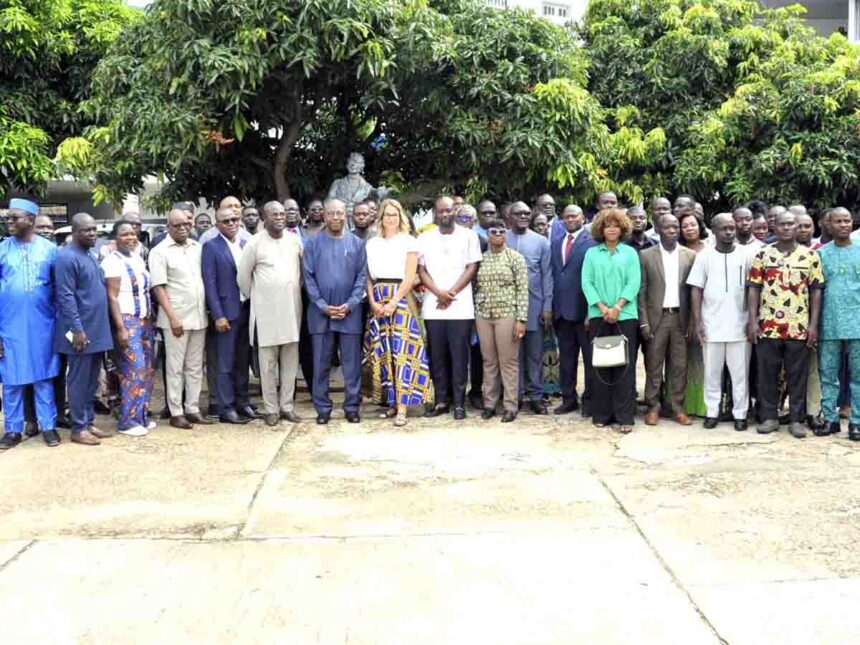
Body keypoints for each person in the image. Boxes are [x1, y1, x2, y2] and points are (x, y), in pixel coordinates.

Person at [747, 210, 822, 438]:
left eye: (792, 224)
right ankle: (769, 417)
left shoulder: (810, 256)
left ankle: (797, 419)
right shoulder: (762, 255)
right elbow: (753, 288)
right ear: (775, 227)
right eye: (783, 224)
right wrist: (752, 321)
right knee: (767, 373)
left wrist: (813, 325)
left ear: (798, 227)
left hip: (798, 326)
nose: (787, 228)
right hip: (768, 325)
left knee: (797, 375)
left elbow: (816, 291)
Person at [364, 199, 432, 427]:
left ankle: (403, 407)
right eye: (387, 214)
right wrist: (373, 301)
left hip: (401, 299)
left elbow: (410, 276)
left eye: (395, 214)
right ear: (381, 218)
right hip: (378, 299)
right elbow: (369, 277)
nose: (391, 218)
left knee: (403, 352)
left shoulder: (409, 241)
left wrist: (393, 301)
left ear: (400, 217)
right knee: (385, 353)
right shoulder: (372, 243)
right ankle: (392, 403)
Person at [0, 198, 61, 450]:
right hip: (8, 326)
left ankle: (48, 426)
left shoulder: (49, 250)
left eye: (15, 217)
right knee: (11, 379)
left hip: (42, 325)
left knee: (43, 376)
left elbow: (59, 290)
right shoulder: (2, 248)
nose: (9, 221)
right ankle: (13, 430)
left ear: (32, 221)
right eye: (8, 217)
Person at [238, 201, 304, 426]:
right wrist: (261, 295)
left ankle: (287, 407)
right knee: (267, 365)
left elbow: (301, 275)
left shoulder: (294, 241)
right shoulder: (254, 243)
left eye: (282, 213)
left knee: (290, 363)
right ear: (264, 218)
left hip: (292, 312)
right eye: (274, 214)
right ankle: (271, 409)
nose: (279, 217)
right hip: (265, 315)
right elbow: (243, 279)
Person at [303, 199, 368, 424]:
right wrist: (322, 305)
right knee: (320, 364)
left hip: (350, 313)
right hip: (320, 314)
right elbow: (308, 277)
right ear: (325, 216)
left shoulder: (357, 244)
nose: (336, 217)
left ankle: (351, 406)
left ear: (346, 215)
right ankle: (322, 408)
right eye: (331, 213)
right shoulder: (312, 244)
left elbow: (362, 277)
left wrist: (350, 304)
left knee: (351, 365)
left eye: (340, 213)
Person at [418, 196, 482, 420]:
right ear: (435, 214)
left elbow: (472, 266)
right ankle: (441, 400)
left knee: (459, 355)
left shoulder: (469, 236)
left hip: (460, 306)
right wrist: (438, 292)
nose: (445, 214)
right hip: (433, 306)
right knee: (437, 354)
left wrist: (451, 292)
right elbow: (421, 269)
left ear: (455, 211)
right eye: (440, 211)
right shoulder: (424, 237)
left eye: (449, 210)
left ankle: (459, 402)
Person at [54, 213, 114, 445]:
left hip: (97, 329)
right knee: (79, 380)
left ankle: (88, 422)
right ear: (75, 232)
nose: (92, 233)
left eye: (94, 229)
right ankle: (78, 428)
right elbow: (66, 296)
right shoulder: (67, 257)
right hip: (80, 331)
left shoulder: (89, 254)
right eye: (86, 230)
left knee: (91, 381)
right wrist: (77, 330)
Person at [687, 213, 751, 431]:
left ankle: (740, 414)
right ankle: (712, 412)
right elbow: (696, 289)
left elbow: (754, 289)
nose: (729, 232)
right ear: (713, 230)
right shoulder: (704, 256)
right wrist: (697, 322)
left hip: (740, 325)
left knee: (740, 374)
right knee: (712, 373)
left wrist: (752, 319)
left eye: (732, 227)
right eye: (724, 228)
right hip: (711, 324)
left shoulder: (746, 255)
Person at [150, 209, 213, 429]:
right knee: (175, 368)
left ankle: (192, 408)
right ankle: (176, 412)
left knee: (195, 366)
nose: (183, 228)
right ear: (168, 226)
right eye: (177, 225)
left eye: (187, 224)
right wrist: (173, 318)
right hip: (176, 319)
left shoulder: (197, 248)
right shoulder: (159, 251)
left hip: (198, 317)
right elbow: (159, 287)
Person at [581, 208, 640, 433]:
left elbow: (634, 283)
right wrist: (603, 307)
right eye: (607, 225)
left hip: (625, 315)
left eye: (616, 225)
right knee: (601, 366)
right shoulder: (592, 254)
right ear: (601, 229)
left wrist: (617, 306)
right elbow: (587, 283)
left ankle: (625, 417)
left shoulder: (630, 253)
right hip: (598, 315)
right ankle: (602, 414)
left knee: (624, 367)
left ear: (622, 228)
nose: (612, 229)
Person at [201, 207, 261, 425]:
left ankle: (242, 403)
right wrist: (218, 315)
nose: (232, 223)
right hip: (226, 313)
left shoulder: (246, 245)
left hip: (246, 311)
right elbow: (210, 284)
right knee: (224, 364)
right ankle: (226, 408)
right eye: (226, 221)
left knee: (242, 361)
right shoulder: (211, 247)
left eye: (235, 219)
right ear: (218, 224)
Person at [638, 214, 696, 426]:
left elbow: (692, 293)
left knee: (679, 366)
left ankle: (677, 408)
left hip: (680, 318)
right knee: (654, 365)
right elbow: (642, 292)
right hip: (657, 318)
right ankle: (653, 406)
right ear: (658, 229)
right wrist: (643, 322)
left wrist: (692, 322)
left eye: (675, 227)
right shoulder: (646, 255)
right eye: (667, 227)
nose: (672, 230)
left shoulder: (689, 255)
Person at [103, 221, 156, 436]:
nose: (130, 238)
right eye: (124, 234)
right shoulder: (111, 262)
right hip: (126, 320)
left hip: (144, 320)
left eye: (133, 234)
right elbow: (112, 296)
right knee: (133, 370)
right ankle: (128, 421)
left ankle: (142, 415)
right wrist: (120, 328)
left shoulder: (136, 258)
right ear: (115, 237)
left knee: (148, 369)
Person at [474, 219, 528, 422]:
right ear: (487, 234)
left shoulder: (515, 258)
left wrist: (521, 319)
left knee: (509, 362)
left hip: (507, 314)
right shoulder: (480, 259)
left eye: (501, 231)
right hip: (484, 315)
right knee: (489, 361)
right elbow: (475, 288)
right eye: (493, 231)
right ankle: (489, 404)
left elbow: (522, 290)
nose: (497, 234)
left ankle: (510, 406)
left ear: (506, 234)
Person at [551, 202, 597, 415]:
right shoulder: (556, 241)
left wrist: (591, 311)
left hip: (584, 312)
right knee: (567, 361)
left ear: (583, 219)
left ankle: (589, 401)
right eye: (566, 217)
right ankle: (568, 399)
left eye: (574, 216)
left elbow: (594, 281)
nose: (570, 220)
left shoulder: (592, 243)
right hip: (561, 313)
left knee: (589, 360)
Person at [507, 201, 553, 415]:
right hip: (508, 308)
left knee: (535, 355)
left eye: (527, 213)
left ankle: (535, 396)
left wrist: (547, 306)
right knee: (513, 355)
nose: (524, 216)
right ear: (510, 216)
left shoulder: (541, 242)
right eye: (519, 213)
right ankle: (514, 397)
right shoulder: (501, 238)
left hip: (535, 308)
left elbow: (547, 276)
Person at [818, 207, 860, 440]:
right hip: (829, 323)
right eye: (838, 221)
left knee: (858, 376)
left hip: (858, 323)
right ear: (829, 225)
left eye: (847, 221)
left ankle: (856, 422)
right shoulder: (821, 254)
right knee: (828, 374)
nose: (844, 225)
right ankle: (830, 420)